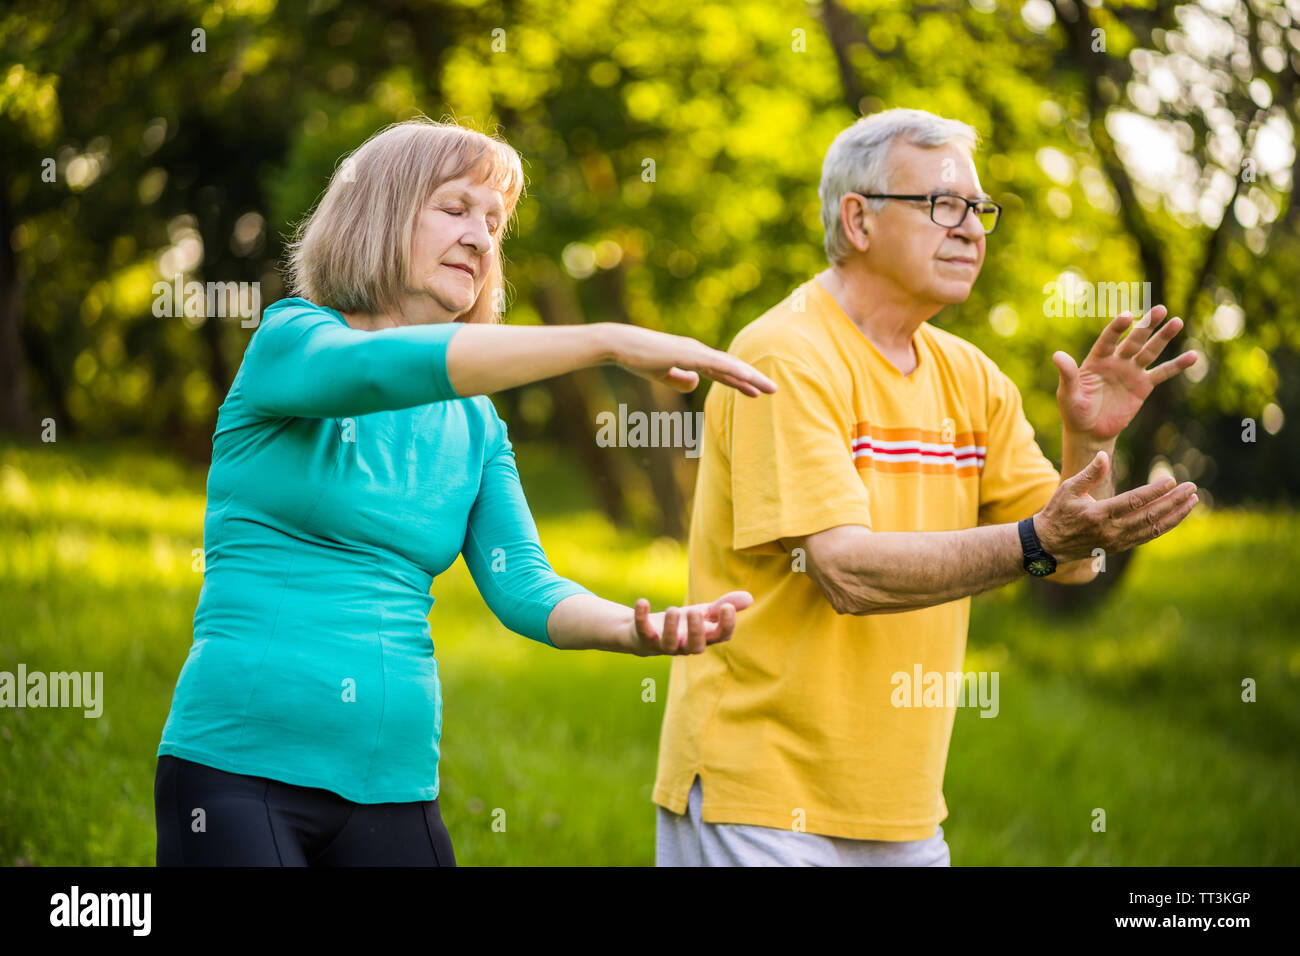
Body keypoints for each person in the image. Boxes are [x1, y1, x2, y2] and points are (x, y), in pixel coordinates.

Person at [153, 117, 775, 867]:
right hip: (237, 771)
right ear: (376, 214)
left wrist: (635, 630)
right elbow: (379, 372)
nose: (482, 239)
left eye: (495, 221)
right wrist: (604, 340)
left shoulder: (475, 424)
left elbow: (526, 586)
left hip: (395, 784)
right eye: (455, 209)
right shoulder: (291, 341)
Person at [652, 107, 1200, 866]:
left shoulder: (972, 377)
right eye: (943, 204)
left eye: (980, 210)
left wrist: (1091, 443)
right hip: (760, 793)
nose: (972, 228)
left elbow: (1069, 563)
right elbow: (844, 570)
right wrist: (1039, 542)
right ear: (859, 219)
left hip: (904, 810)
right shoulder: (785, 355)